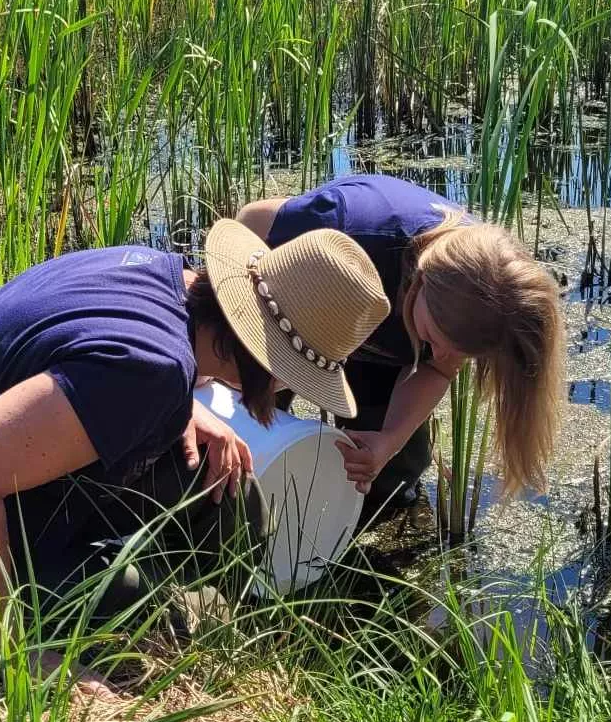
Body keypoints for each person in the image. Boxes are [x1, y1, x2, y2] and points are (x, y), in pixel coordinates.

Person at [0, 225, 389, 638]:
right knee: (133, 601)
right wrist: (7, 655)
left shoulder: (154, 273)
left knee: (227, 489)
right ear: (267, 365)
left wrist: (182, 410)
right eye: (290, 382)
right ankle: (177, 613)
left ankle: (215, 606)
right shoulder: (150, 371)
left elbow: (80, 355)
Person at [238, 174, 565, 509]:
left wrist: (388, 441)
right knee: (249, 436)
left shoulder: (483, 300)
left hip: (383, 341)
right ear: (420, 282)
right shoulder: (349, 230)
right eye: (434, 339)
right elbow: (252, 221)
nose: (439, 354)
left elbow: (439, 368)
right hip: (292, 314)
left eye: (458, 352)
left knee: (390, 475)